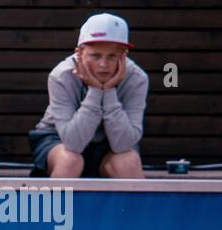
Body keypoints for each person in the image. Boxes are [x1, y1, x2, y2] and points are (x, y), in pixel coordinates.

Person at [29, 13, 147, 179]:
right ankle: (55, 205)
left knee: (128, 161)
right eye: (95, 55)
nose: (103, 64)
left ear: (123, 56)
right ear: (80, 53)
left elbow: (123, 144)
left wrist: (108, 91)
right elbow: (73, 143)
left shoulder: (137, 78)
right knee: (70, 160)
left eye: (112, 56)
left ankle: (132, 207)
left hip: (111, 144)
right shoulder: (61, 75)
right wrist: (95, 91)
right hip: (59, 139)